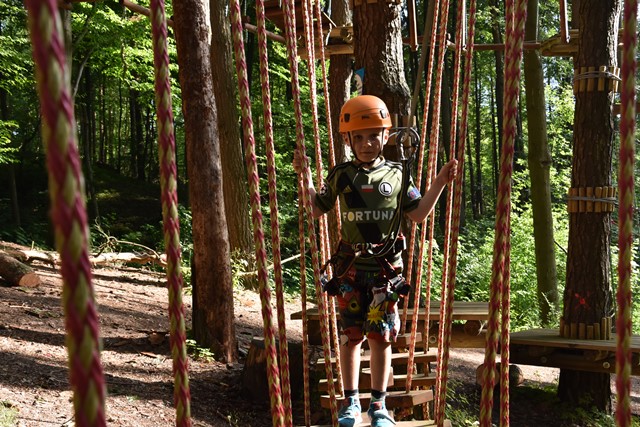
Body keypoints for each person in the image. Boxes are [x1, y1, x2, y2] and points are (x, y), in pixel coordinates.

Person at [293, 95, 457, 427]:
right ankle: (351, 402)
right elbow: (317, 208)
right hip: (350, 270)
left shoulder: (398, 174)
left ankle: (379, 405)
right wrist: (305, 178)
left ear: (385, 136)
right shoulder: (341, 174)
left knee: (381, 338)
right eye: (359, 137)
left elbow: (418, 214)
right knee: (351, 336)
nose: (366, 144)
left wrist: (440, 181)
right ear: (348, 140)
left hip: (385, 272)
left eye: (373, 136)